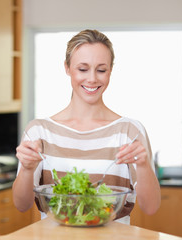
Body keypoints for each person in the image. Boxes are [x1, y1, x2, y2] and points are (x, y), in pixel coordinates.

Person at [12, 29, 161, 224]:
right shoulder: (39, 132)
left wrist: (143, 166)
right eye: (82, 69)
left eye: (101, 70)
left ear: (111, 70)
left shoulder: (129, 132)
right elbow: (21, 205)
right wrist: (26, 169)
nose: (92, 79)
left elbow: (150, 207)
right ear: (67, 68)